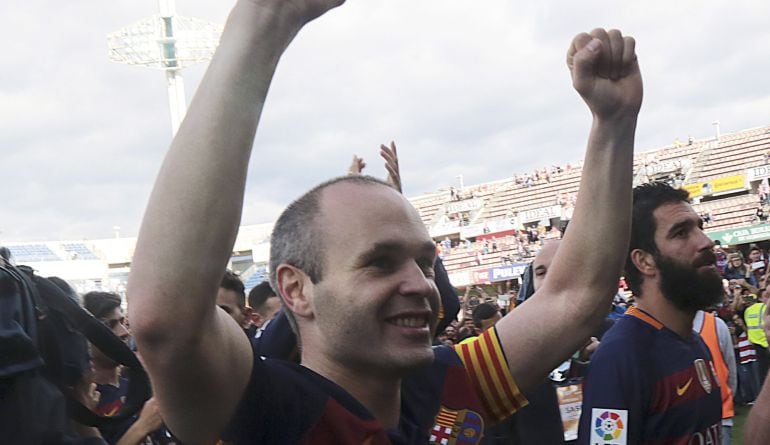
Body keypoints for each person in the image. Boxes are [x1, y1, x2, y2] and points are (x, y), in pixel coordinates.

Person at [126, 0, 642, 442]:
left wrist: (613, 125)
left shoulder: (447, 387)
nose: (420, 284)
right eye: (380, 263)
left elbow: (574, 298)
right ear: (296, 289)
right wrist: (265, 20)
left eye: (424, 260)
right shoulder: (265, 413)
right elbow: (167, 323)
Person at [578, 182, 723, 444]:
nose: (705, 242)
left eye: (699, 228)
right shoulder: (620, 358)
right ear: (644, 261)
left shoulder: (694, 342)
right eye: (681, 233)